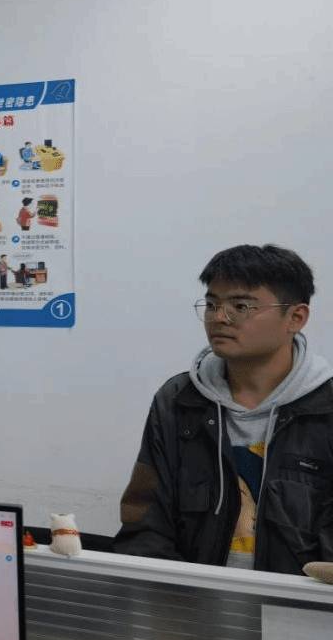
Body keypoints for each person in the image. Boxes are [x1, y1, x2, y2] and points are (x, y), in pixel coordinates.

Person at [114, 244, 333, 574]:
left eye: (241, 306)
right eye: (212, 304)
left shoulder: (325, 407)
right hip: (190, 596)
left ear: (296, 318)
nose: (219, 317)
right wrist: (174, 596)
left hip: (300, 600)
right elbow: (145, 519)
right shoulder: (178, 400)